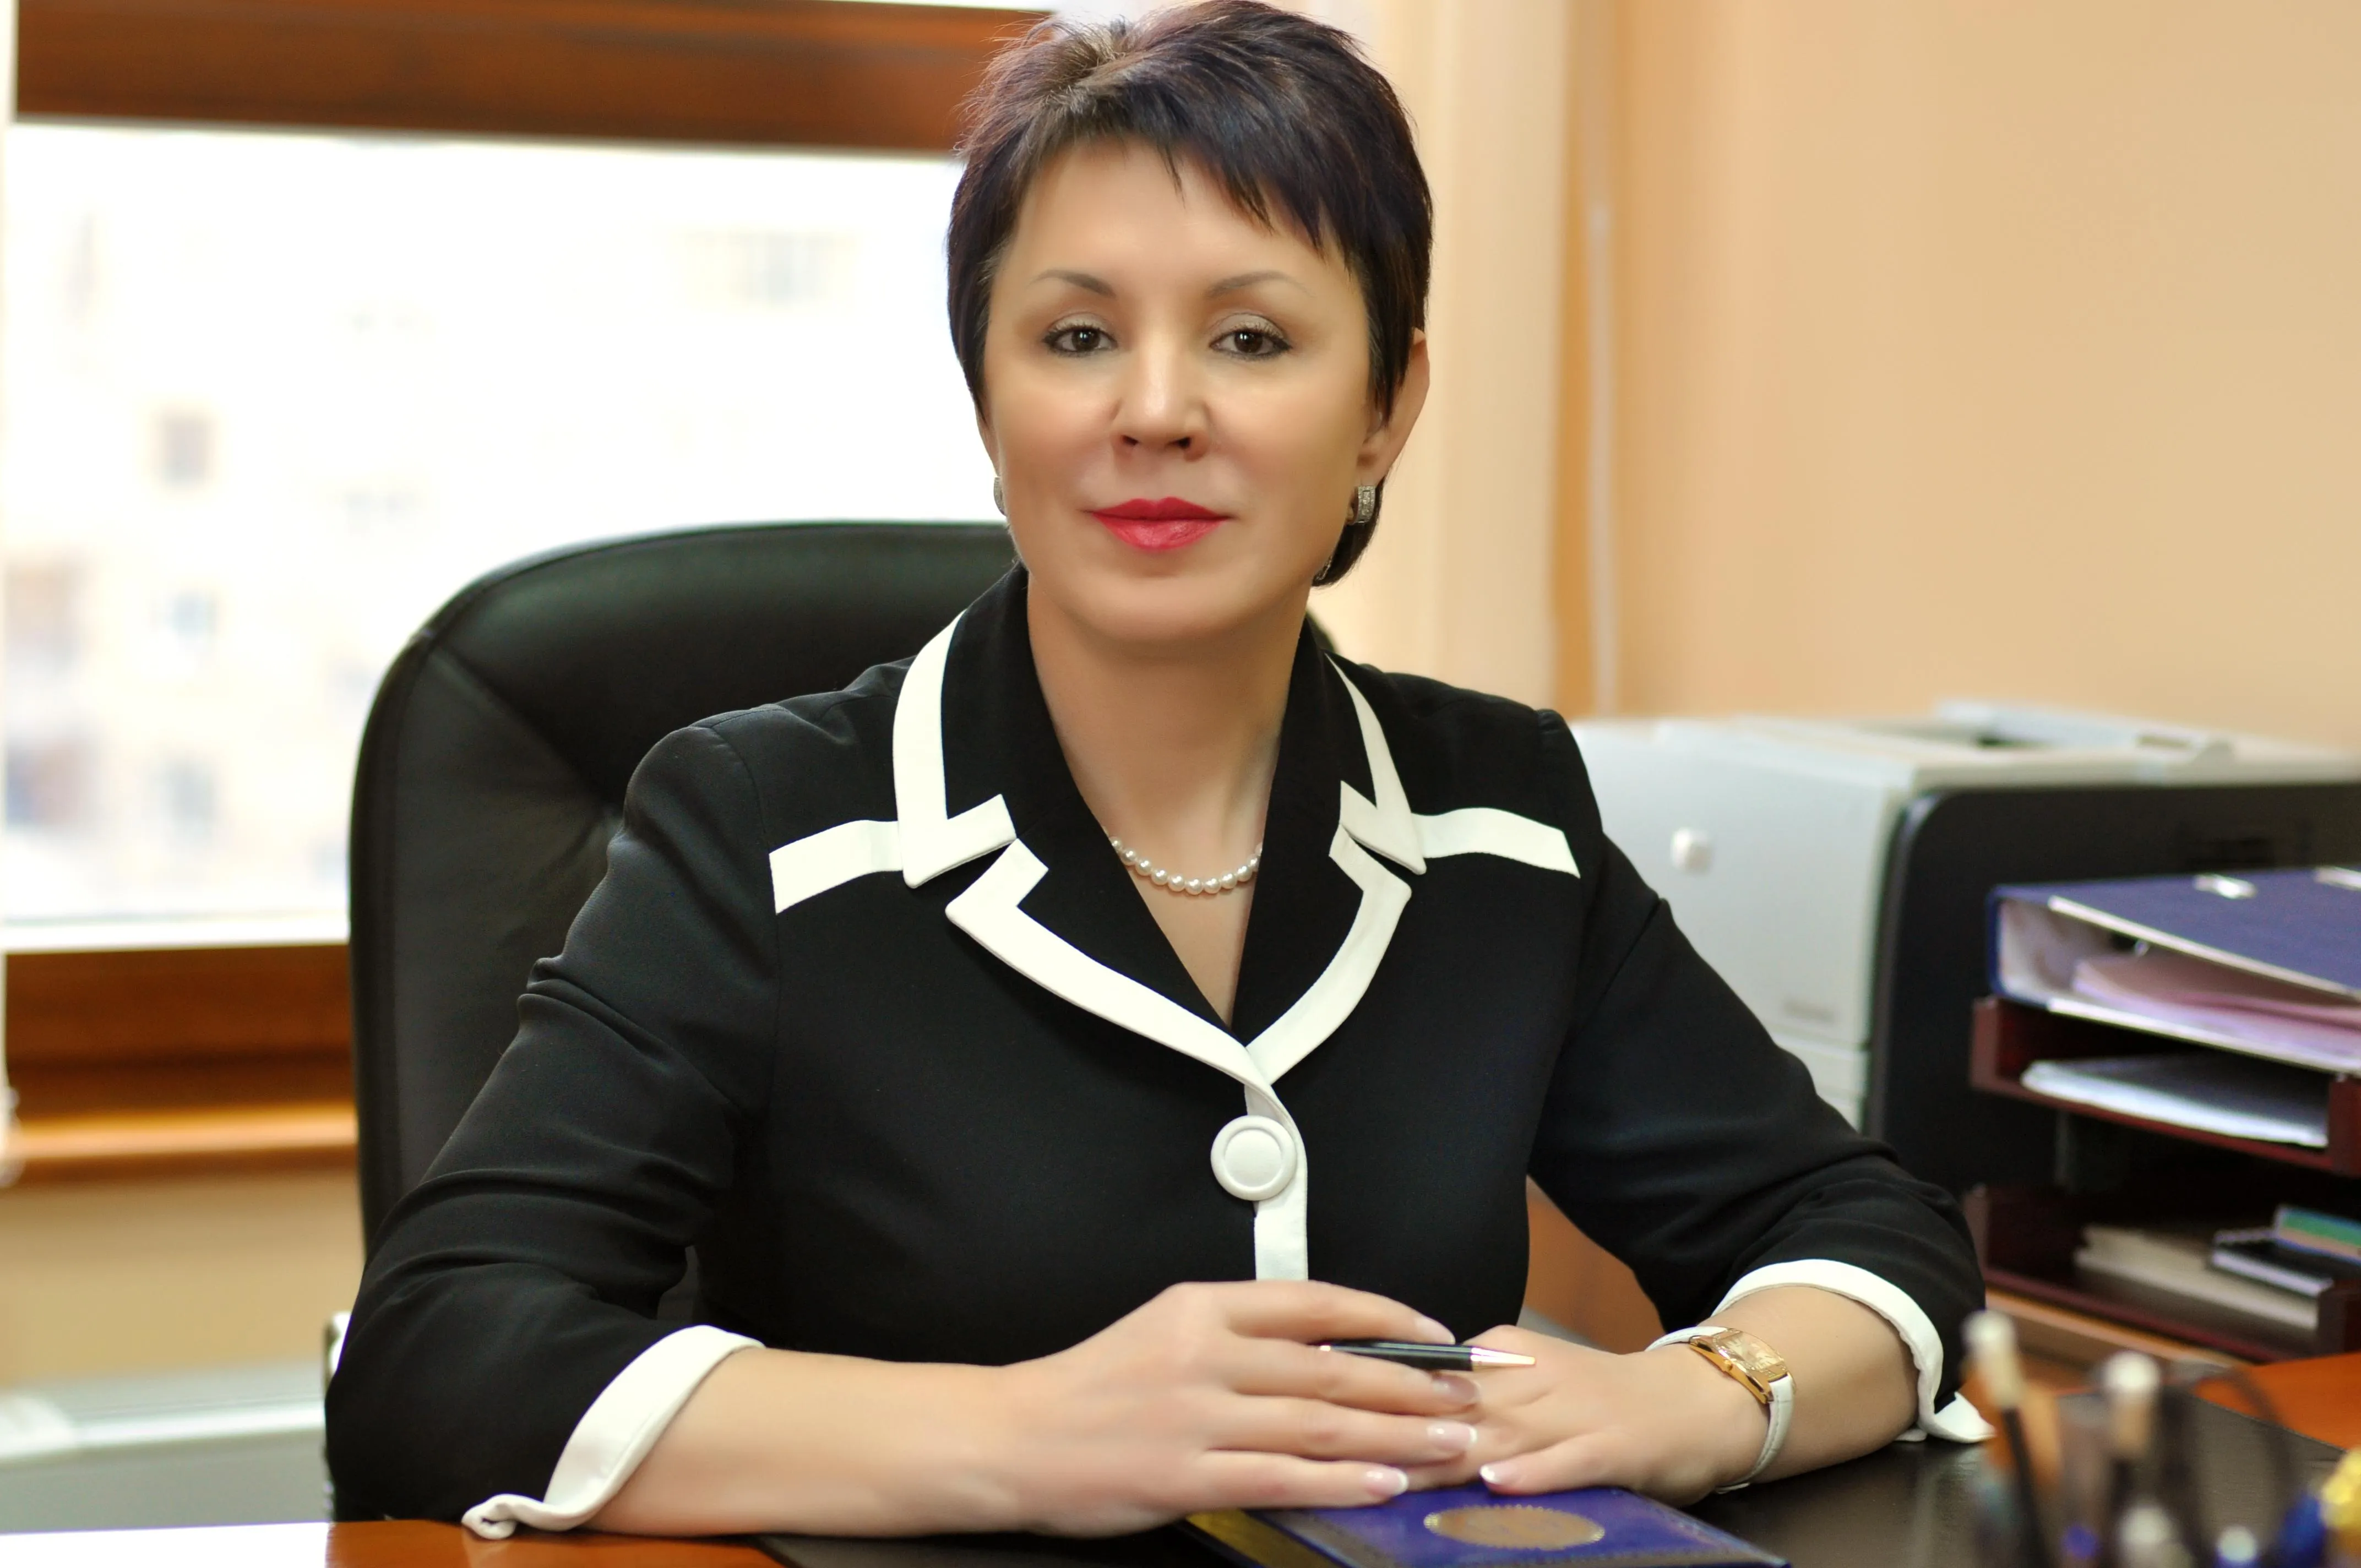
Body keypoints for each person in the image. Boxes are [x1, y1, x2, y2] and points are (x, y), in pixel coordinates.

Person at [327, 0, 1988, 1539]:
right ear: (988, 395)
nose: (1157, 409)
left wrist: (1696, 1398)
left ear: (1387, 406)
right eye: (1075, 336)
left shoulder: (1497, 813)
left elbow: (1871, 1236)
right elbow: (439, 1352)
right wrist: (1031, 1431)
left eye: (1253, 339)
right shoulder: (766, 825)